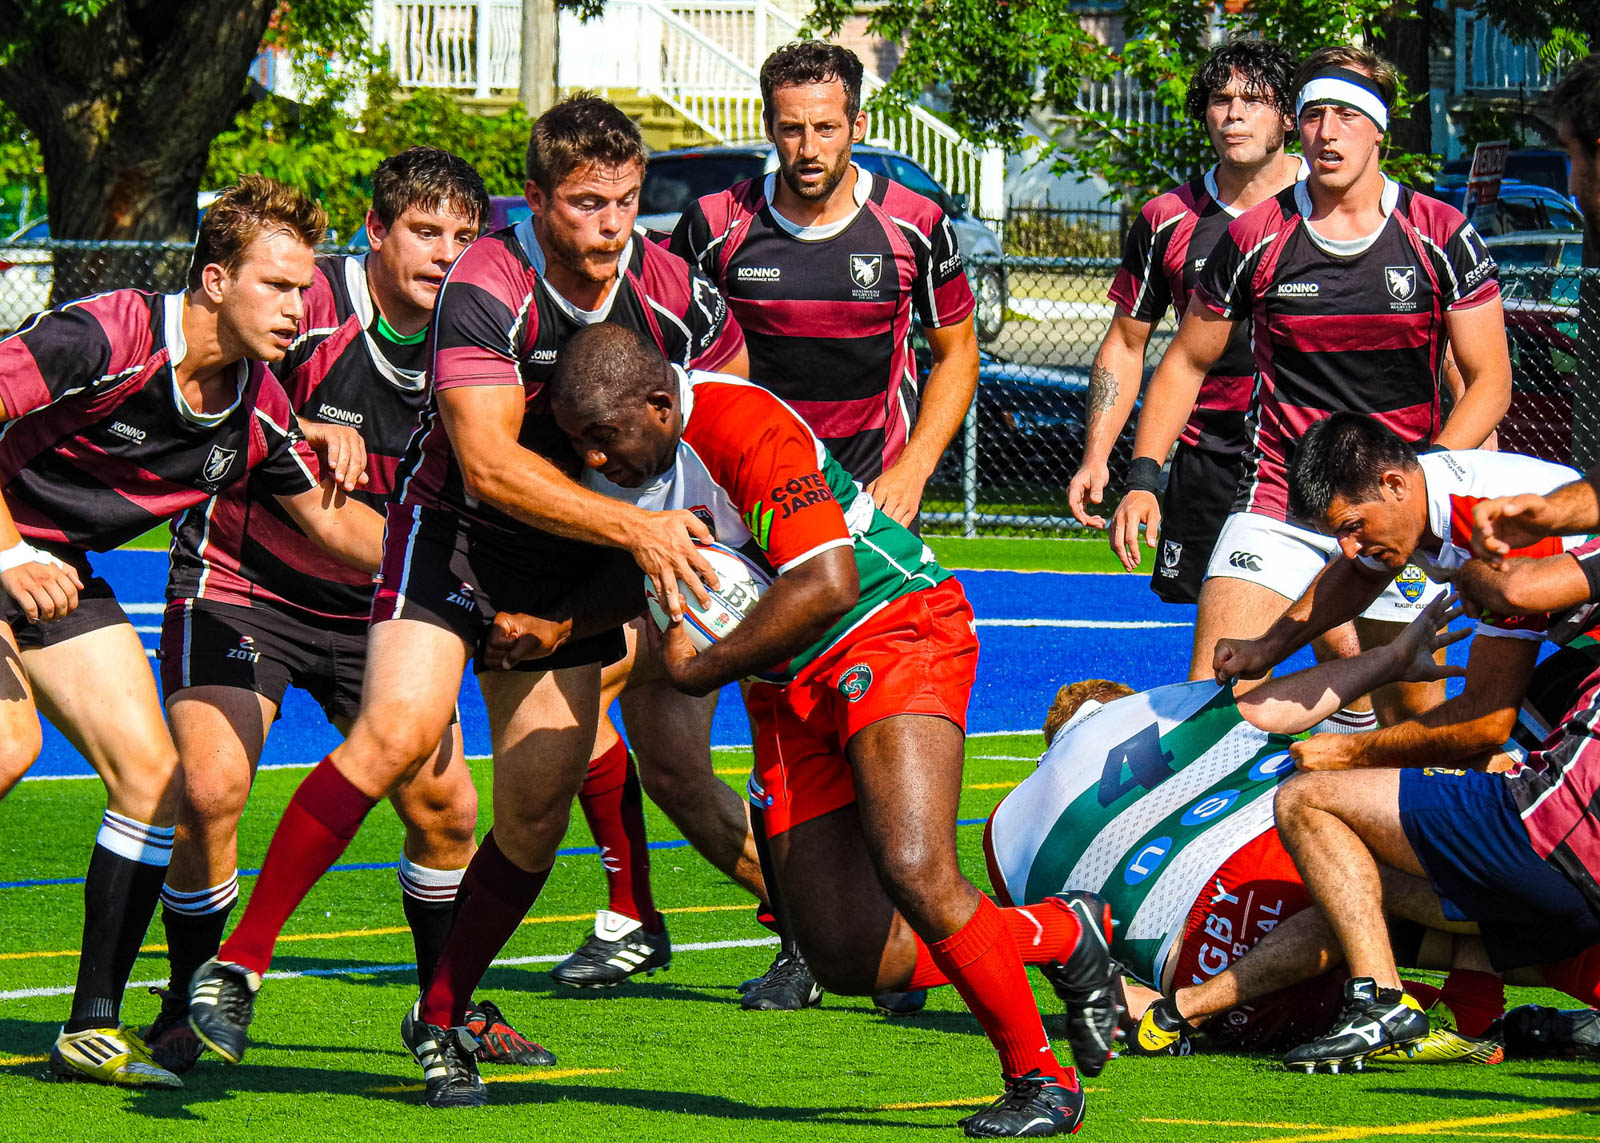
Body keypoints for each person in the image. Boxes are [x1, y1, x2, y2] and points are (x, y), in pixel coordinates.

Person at [185, 97, 747, 1100]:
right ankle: (241, 965)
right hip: (456, 540)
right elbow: (486, 465)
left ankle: (441, 1014)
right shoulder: (488, 280)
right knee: (395, 731)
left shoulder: (676, 294)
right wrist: (640, 529)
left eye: (625, 202)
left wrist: (667, 538)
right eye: (584, 203)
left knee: (530, 818)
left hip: (578, 564)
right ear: (532, 201)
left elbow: (723, 414)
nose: (610, 225)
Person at [486, 324, 1115, 1138]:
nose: (596, 460)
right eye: (579, 443)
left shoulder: (741, 424)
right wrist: (560, 626)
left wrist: (691, 670)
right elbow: (657, 580)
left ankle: (1042, 1080)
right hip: (787, 684)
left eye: (604, 437)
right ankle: (1064, 930)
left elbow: (827, 581)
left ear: (658, 402)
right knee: (850, 956)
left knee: (915, 867)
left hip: (891, 629)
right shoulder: (621, 461)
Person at [143, 148, 547, 1072]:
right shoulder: (304, 302)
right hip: (247, 582)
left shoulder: (483, 333)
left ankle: (443, 1011)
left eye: (463, 235)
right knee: (210, 788)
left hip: (383, 605)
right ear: (376, 233)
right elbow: (298, 484)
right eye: (423, 231)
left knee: (447, 808)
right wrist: (296, 417)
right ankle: (192, 999)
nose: (447, 254)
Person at [0, 176, 387, 1087]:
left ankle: (92, 1024)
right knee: (9, 744)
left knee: (154, 775)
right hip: (11, 548)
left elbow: (344, 533)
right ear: (215, 281)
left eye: (305, 289)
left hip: (54, 572)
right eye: (279, 287)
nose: (302, 307)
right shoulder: (109, 333)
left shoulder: (256, 409)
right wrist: (7, 550)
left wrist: (471, 570)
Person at [668, 40, 979, 1009]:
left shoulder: (914, 227)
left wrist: (915, 465)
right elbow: (687, 355)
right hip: (746, 523)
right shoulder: (714, 227)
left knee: (875, 724)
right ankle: (807, 936)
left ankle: (914, 919)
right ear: (767, 126)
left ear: (858, 126)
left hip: (862, 521)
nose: (807, 146)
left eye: (826, 127)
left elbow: (956, 348)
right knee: (758, 736)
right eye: (789, 127)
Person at [1107, 45, 1509, 727]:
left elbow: (1489, 382)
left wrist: (1421, 487)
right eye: (1314, 115)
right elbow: (1185, 362)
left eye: (1346, 115)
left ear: (1378, 129)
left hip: (1396, 509)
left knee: (1412, 728)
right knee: (1210, 695)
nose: (1327, 132)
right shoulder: (1259, 234)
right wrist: (1144, 473)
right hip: (1278, 498)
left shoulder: (1440, 233)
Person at [1215, 414, 1600, 1070]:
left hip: (1579, 664)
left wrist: (1344, 751)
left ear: (1395, 483)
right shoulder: (1416, 502)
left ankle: (1409, 998)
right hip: (1567, 653)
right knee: (1483, 795)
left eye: (1351, 525)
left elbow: (1483, 717)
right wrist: (1267, 646)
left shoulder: (1489, 526)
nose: (1346, 546)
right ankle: (1476, 999)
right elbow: (1355, 574)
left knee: (1493, 782)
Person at [986, 599, 1528, 1062]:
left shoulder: (1000, 829)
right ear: (1120, 703)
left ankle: (1461, 1009)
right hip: (1267, 881)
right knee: (1479, 780)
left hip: (1224, 994)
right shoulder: (1146, 718)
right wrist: (1389, 659)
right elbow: (1273, 708)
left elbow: (1069, 957)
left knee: (1385, 917)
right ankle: (1456, 999)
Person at [1070, 38, 1302, 625]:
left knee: (1350, 642)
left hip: (1314, 452)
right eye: (1221, 100)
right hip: (1209, 460)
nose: (1235, 115)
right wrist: (1102, 457)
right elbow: (1126, 343)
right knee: (1218, 650)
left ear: (1288, 116)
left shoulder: (1328, 206)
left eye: (1254, 100)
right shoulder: (1166, 219)